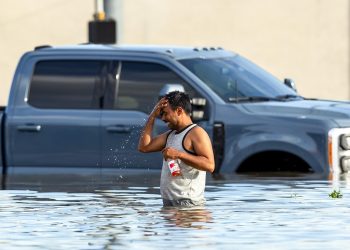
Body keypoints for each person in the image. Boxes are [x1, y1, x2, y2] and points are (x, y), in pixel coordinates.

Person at [138, 91, 215, 207]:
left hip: (188, 204)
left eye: (165, 113)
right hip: (169, 203)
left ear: (179, 111)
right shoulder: (170, 135)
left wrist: (179, 154)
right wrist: (153, 114)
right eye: (161, 114)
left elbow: (210, 165)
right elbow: (144, 147)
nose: (163, 118)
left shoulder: (197, 133)